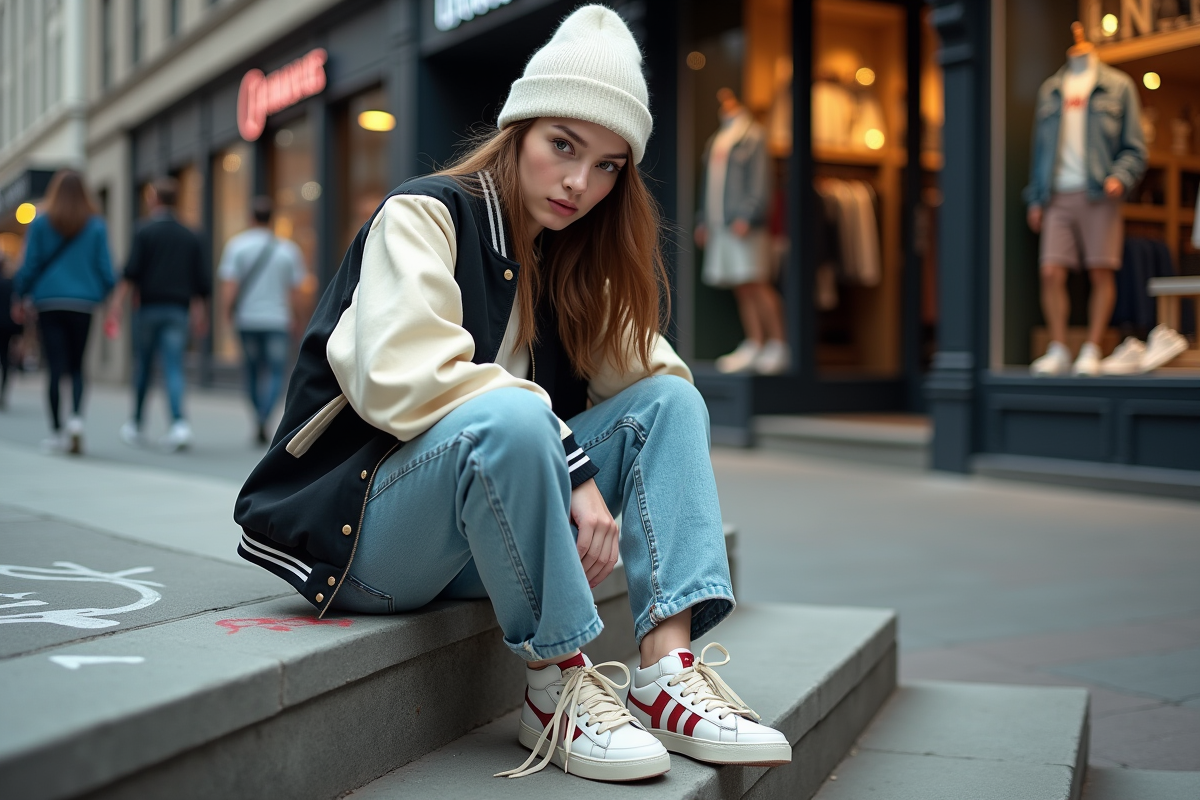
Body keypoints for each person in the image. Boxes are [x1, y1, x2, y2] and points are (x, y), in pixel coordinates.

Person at [234, 5, 790, 784]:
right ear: (519, 131)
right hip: (368, 537)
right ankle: (556, 685)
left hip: (480, 542)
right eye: (563, 145)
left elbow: (657, 386)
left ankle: (666, 674)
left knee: (671, 402)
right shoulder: (426, 216)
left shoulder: (568, 261)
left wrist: (576, 457)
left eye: (608, 166)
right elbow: (402, 373)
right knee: (513, 413)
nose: (580, 182)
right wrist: (572, 463)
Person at [1024, 23, 1146, 377]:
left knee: (1100, 270)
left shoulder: (1118, 86)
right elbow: (1039, 150)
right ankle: (1059, 347)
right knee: (1050, 271)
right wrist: (1035, 197)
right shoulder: (1050, 90)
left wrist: (1119, 177)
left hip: (1099, 193)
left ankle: (1092, 348)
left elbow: (1135, 148)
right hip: (1057, 193)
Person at [12, 170, 115, 453]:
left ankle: (57, 431)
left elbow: (30, 263)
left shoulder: (41, 223)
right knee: (78, 365)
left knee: (55, 368)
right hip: (83, 302)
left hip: (49, 301)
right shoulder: (95, 225)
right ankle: (76, 420)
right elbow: (106, 267)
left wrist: (20, 294)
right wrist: (107, 295)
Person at [107, 178, 210, 451]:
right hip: (178, 310)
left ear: (154, 199)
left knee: (144, 366)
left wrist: (116, 305)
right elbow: (201, 282)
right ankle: (179, 424)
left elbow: (130, 272)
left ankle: (136, 424)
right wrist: (201, 314)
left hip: (149, 309)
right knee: (174, 367)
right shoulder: (191, 235)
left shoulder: (144, 231)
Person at [696, 88, 789, 375]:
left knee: (757, 282)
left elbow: (760, 181)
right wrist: (703, 220)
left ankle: (779, 343)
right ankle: (755, 342)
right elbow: (709, 184)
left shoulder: (753, 136)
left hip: (745, 226)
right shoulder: (718, 138)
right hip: (721, 224)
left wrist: (748, 215)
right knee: (741, 285)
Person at [218, 197, 306, 444]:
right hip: (278, 320)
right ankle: (265, 416)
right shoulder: (288, 250)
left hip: (247, 319)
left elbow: (230, 286)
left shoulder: (237, 246)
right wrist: (298, 317)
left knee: (252, 371)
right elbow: (295, 292)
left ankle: (258, 415)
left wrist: (226, 314)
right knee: (276, 371)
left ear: (251, 218)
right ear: (272, 220)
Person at [0, 252, 22, 411]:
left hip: (6, 326)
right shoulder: (12, 284)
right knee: (5, 360)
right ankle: (3, 392)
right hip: (7, 326)